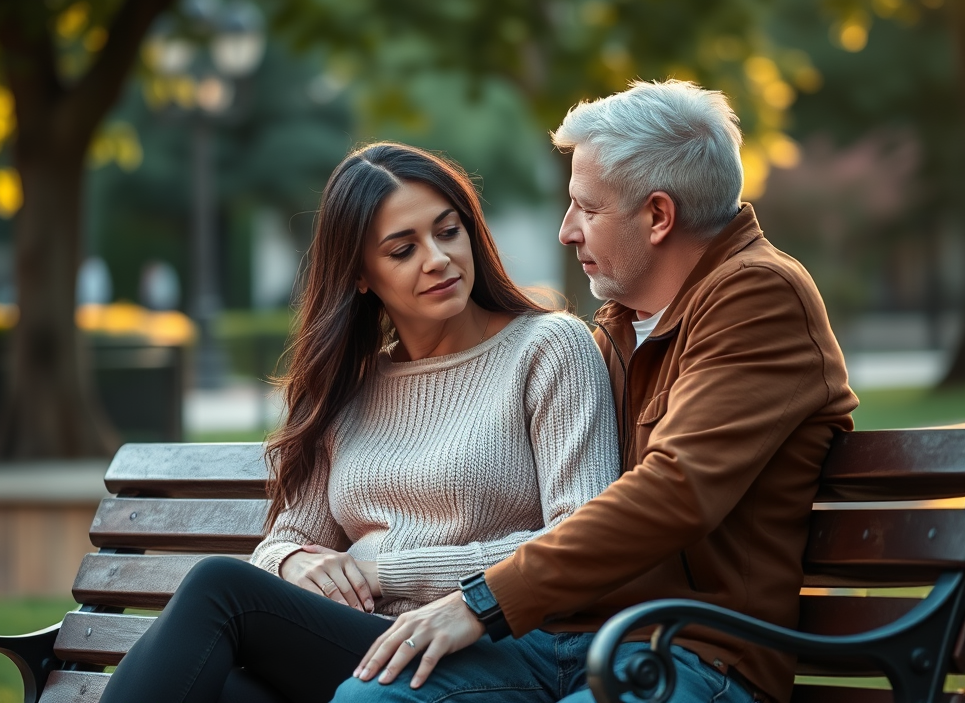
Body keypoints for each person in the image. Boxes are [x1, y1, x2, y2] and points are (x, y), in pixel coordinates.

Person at [344, 81, 859, 703]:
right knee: (376, 696)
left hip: (699, 655)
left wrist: (480, 602)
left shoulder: (757, 296)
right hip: (575, 640)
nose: (567, 231)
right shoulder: (618, 323)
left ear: (658, 216)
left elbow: (677, 489)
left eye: (586, 208)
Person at [97, 142, 619, 703]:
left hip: (489, 644)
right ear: (362, 275)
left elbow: (577, 542)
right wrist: (294, 564)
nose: (437, 258)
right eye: (403, 250)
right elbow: (286, 541)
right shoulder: (352, 388)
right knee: (226, 689)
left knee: (219, 589)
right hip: (370, 643)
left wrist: (383, 573)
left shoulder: (547, 348)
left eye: (447, 232)